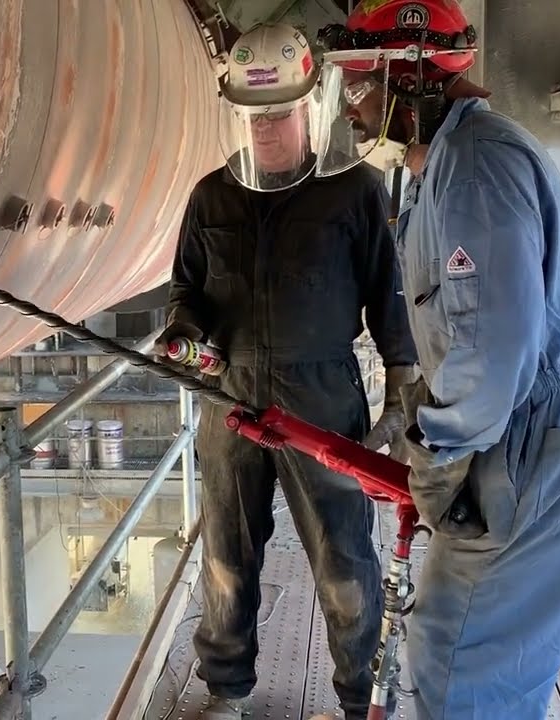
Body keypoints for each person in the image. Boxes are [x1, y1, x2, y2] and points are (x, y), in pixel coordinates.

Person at [310, 2, 560, 718]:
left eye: (358, 87)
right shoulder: (460, 158)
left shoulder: (473, 171)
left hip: (553, 442)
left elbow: (490, 353)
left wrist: (436, 456)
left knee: (465, 656)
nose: (352, 108)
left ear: (410, 80)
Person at [153, 21, 420, 720]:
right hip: (229, 393)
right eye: (251, 117)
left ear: (309, 107)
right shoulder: (212, 196)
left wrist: (402, 389)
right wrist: (183, 328)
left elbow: (389, 296)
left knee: (344, 561)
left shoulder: (357, 192)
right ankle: (225, 690)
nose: (264, 130)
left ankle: (359, 698)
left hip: (322, 395)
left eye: (276, 115)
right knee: (227, 553)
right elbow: (187, 288)